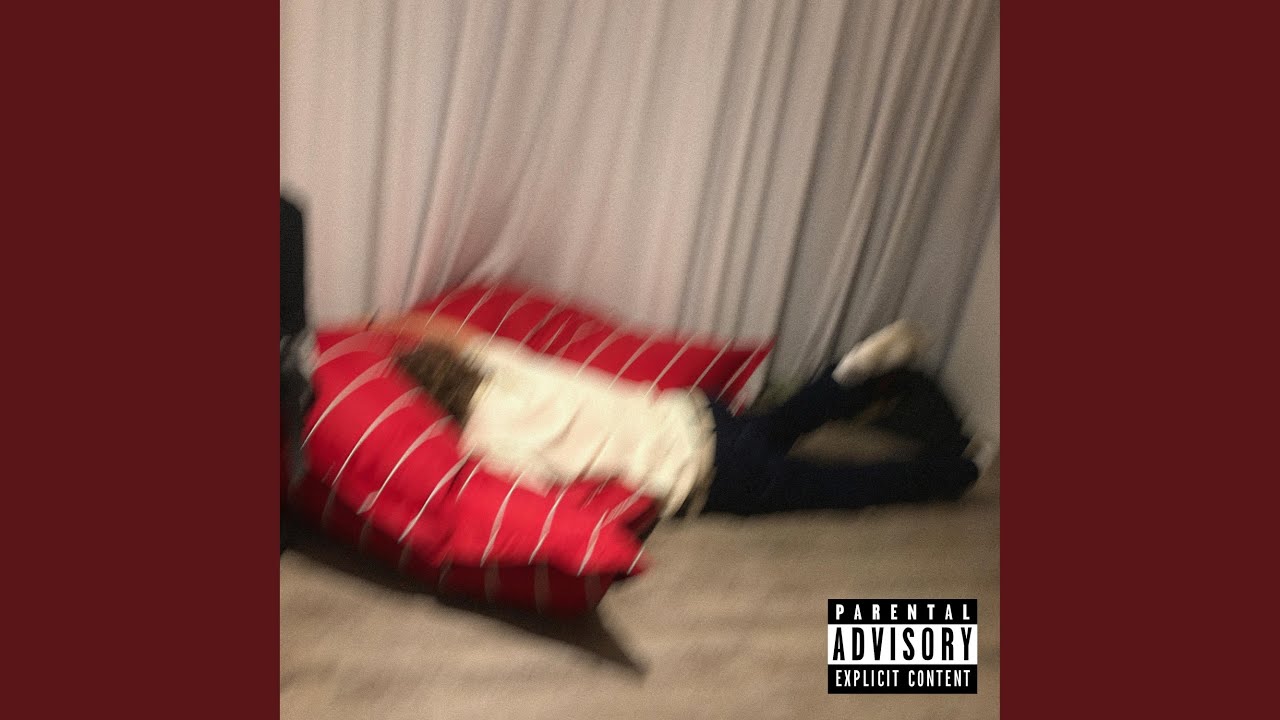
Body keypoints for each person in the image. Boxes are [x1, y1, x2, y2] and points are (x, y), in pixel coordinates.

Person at [362, 313, 980, 518]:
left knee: (839, 486)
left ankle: (958, 472)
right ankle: (843, 379)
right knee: (780, 422)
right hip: (693, 414)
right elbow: (453, 334)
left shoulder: (484, 438)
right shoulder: (504, 365)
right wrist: (381, 325)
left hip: (707, 470)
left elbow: (536, 498)